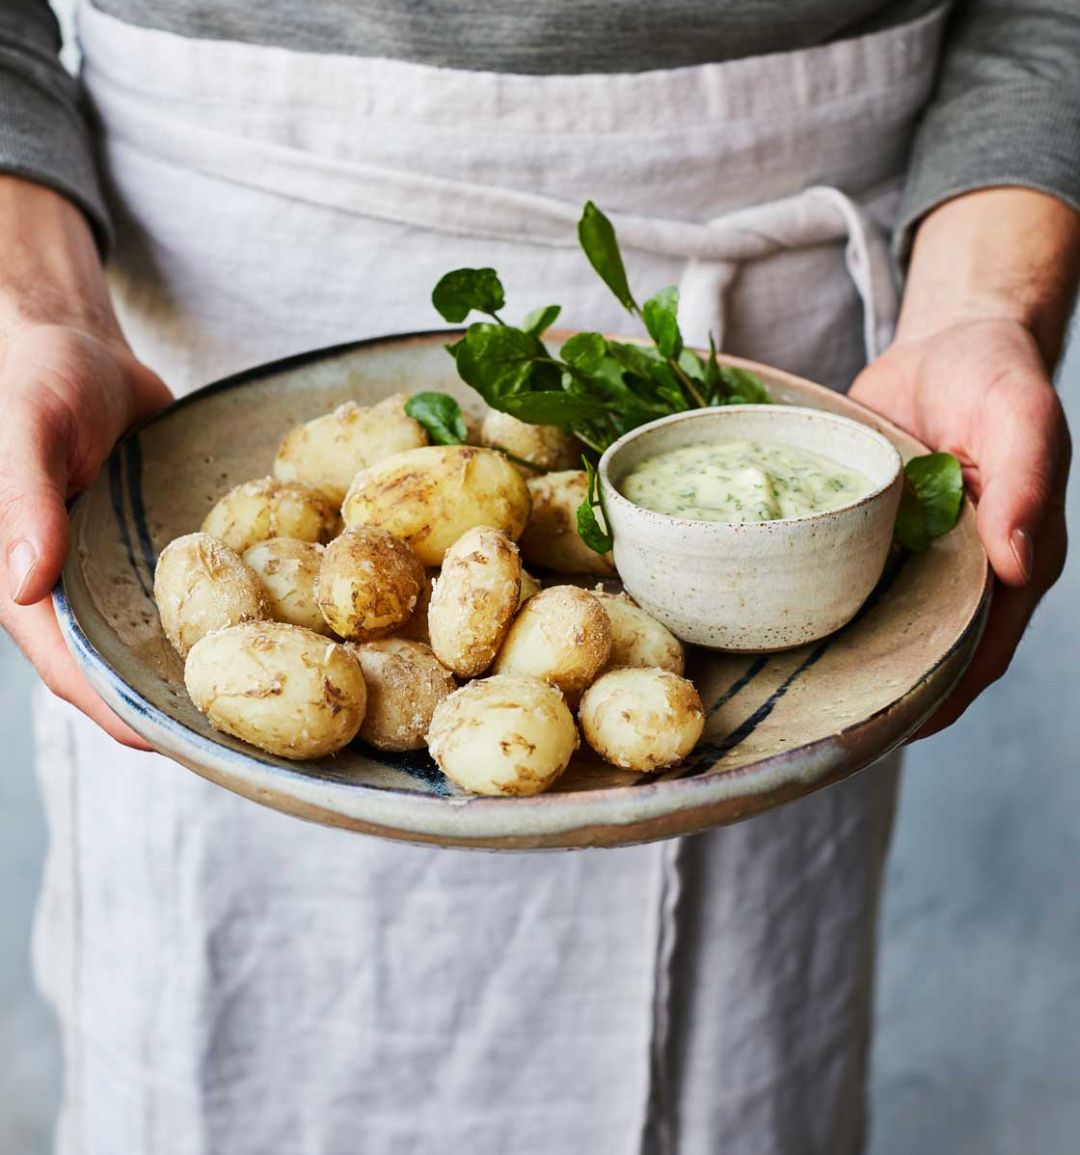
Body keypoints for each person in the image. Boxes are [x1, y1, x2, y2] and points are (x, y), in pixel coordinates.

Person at [1, 1, 1077, 1152]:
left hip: (800, 361)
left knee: (738, 1069)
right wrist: (32, 308)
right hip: (197, 333)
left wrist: (978, 303)